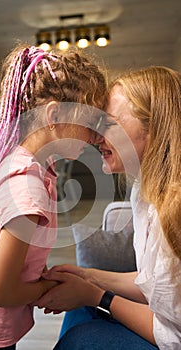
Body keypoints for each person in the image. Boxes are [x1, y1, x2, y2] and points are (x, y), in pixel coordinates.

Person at [0, 43, 108, 349]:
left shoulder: (28, 165)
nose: (94, 136)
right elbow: (0, 291)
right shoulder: (26, 188)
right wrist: (49, 287)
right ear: (53, 115)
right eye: (89, 122)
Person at [35, 66, 181, 349]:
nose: (95, 137)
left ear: (155, 128)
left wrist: (97, 296)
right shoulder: (144, 192)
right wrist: (87, 276)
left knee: (81, 338)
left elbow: (174, 334)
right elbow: (156, 284)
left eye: (108, 124)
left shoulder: (173, 210)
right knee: (76, 306)